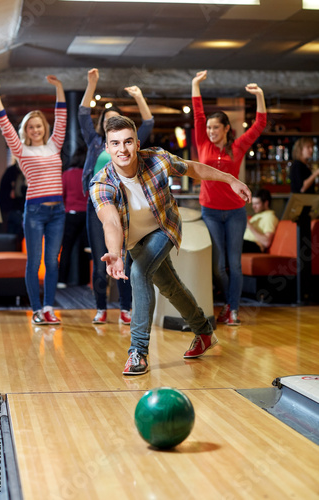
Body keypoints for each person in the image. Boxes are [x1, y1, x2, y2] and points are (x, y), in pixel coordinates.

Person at [89, 115, 252, 376]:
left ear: (137, 143)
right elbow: (110, 221)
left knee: (139, 273)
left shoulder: (157, 159)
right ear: (107, 148)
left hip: (164, 227)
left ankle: (138, 352)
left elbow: (193, 168)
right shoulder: (101, 183)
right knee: (170, 287)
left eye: (128, 142)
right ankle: (204, 332)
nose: (123, 149)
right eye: (115, 143)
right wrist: (116, 252)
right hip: (134, 240)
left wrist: (231, 179)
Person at [0, 75, 67, 325]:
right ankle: (35, 310)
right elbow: (5, 126)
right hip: (34, 211)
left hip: (58, 211)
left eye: (39, 125)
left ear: (44, 127)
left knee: (52, 263)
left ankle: (48, 308)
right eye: (31, 126)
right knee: (34, 262)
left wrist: (59, 89)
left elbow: (62, 118)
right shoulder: (22, 151)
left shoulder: (55, 145)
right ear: (26, 130)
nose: (35, 129)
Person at [78, 68, 154, 325]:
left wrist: (139, 96)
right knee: (101, 262)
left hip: (123, 208)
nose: (112, 125)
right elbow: (81, 114)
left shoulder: (127, 144)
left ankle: (125, 308)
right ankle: (100, 308)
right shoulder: (95, 143)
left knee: (124, 259)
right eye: (108, 121)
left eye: (117, 121)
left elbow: (149, 124)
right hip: (95, 208)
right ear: (102, 126)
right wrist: (92, 84)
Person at [192, 70, 267, 327]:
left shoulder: (238, 147)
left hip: (235, 211)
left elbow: (259, 126)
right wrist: (195, 84)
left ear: (226, 129)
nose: (211, 131)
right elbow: (198, 114)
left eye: (216, 127)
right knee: (219, 265)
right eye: (209, 127)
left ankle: (232, 310)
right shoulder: (202, 142)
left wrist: (259, 96)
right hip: (210, 211)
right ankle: (226, 302)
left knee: (234, 265)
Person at [57, 149, 90, 288]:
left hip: (70, 214)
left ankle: (62, 281)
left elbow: (61, 195)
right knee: (86, 249)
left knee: (67, 249)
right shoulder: (88, 175)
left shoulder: (67, 174)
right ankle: (85, 280)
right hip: (86, 215)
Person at [0, 155, 26, 241]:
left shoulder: (15, 171)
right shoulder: (14, 172)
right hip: (10, 209)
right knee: (10, 234)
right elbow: (13, 194)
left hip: (13, 209)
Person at [243, 188, 279, 253]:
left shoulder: (269, 217)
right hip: (244, 243)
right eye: (253, 204)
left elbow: (266, 242)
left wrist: (249, 226)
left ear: (266, 203)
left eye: (256, 203)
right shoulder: (255, 216)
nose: (253, 207)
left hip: (255, 246)